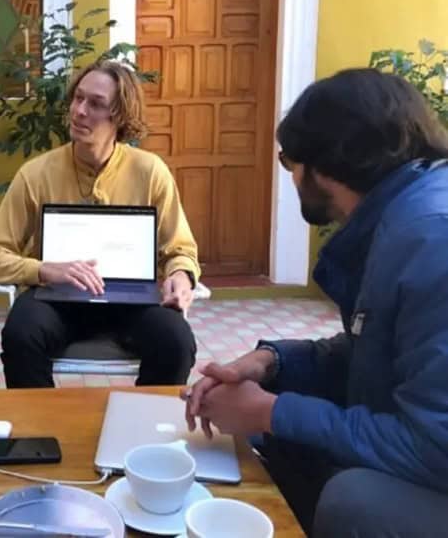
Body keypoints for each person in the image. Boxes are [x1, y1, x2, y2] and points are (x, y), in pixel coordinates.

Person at [182, 68, 448, 537]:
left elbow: (434, 449)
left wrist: (267, 411)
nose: (290, 178)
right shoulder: (406, 215)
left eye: (288, 162)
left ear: (324, 165)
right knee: (281, 435)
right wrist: (271, 362)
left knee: (356, 502)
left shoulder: (431, 239)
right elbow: (378, 349)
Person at [0, 61, 200, 388]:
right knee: (20, 333)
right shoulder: (36, 174)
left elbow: (179, 249)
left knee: (176, 340)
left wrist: (181, 276)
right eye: (77, 99)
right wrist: (45, 270)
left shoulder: (150, 172)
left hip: (132, 303)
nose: (79, 111)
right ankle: (41, 432)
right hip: (56, 301)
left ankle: (144, 428)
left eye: (95, 104)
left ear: (121, 116)